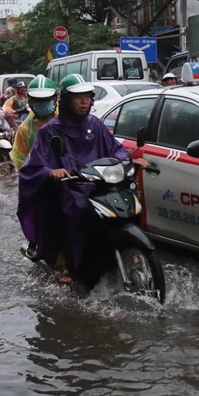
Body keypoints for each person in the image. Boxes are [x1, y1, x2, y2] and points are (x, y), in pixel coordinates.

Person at [17, 74, 144, 284]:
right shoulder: (50, 130)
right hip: (69, 186)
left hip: (99, 183)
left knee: (130, 199)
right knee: (75, 208)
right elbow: (35, 164)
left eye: (87, 97)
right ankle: (62, 260)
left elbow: (115, 149)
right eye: (78, 97)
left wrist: (131, 161)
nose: (84, 102)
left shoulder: (94, 124)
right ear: (66, 100)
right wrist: (51, 172)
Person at [11, 75, 58, 170]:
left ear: (55, 99)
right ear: (30, 101)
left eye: (46, 100)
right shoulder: (25, 129)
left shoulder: (67, 121)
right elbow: (19, 160)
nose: (42, 103)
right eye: (38, 100)